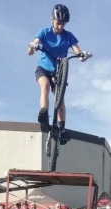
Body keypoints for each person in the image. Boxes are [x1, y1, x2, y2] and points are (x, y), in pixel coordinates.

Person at [27, 4, 92, 145]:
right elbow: (31, 50)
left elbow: (78, 52)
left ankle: (62, 129)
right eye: (58, 23)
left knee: (59, 96)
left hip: (58, 73)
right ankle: (44, 113)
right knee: (44, 86)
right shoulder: (44, 32)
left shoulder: (69, 36)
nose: (60, 27)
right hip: (43, 69)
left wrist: (83, 56)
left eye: (63, 24)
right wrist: (32, 46)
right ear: (52, 21)